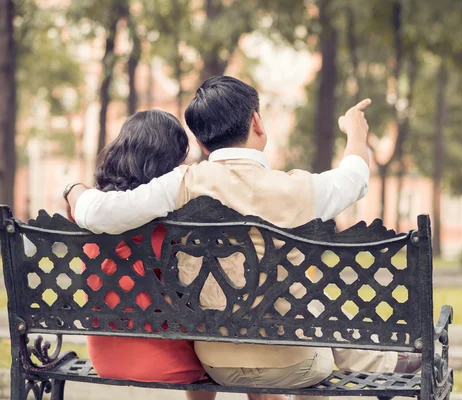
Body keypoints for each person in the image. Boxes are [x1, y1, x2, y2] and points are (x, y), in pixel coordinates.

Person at [65, 77, 420, 400]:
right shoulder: (296, 188)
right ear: (257, 122)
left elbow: (96, 212)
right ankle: (384, 362)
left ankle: (383, 361)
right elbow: (354, 179)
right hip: (295, 366)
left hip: (215, 362)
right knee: (312, 323)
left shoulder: (181, 184)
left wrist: (73, 188)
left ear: (202, 143)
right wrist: (355, 133)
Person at [75, 109, 265, 400]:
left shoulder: (91, 220)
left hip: (106, 359)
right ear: (169, 161)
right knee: (216, 337)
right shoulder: (176, 230)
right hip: (169, 362)